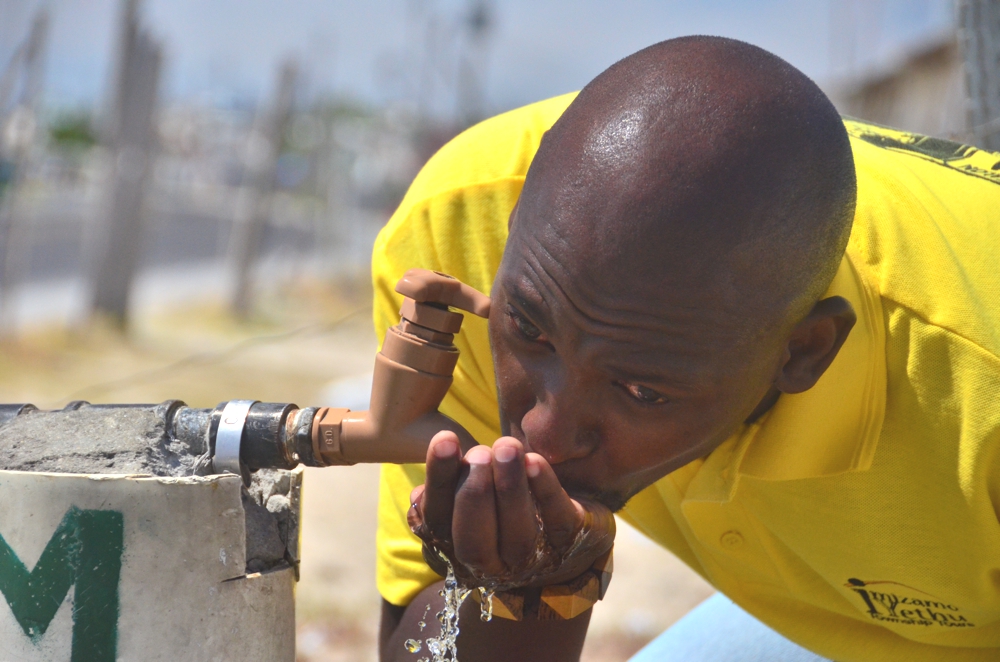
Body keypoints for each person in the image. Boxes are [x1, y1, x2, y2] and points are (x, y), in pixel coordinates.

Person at [373, 36, 1000, 661]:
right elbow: (413, 641)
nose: (546, 433)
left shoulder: (979, 389)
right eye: (531, 332)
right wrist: (533, 584)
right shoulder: (456, 241)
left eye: (642, 391)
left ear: (804, 352)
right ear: (511, 234)